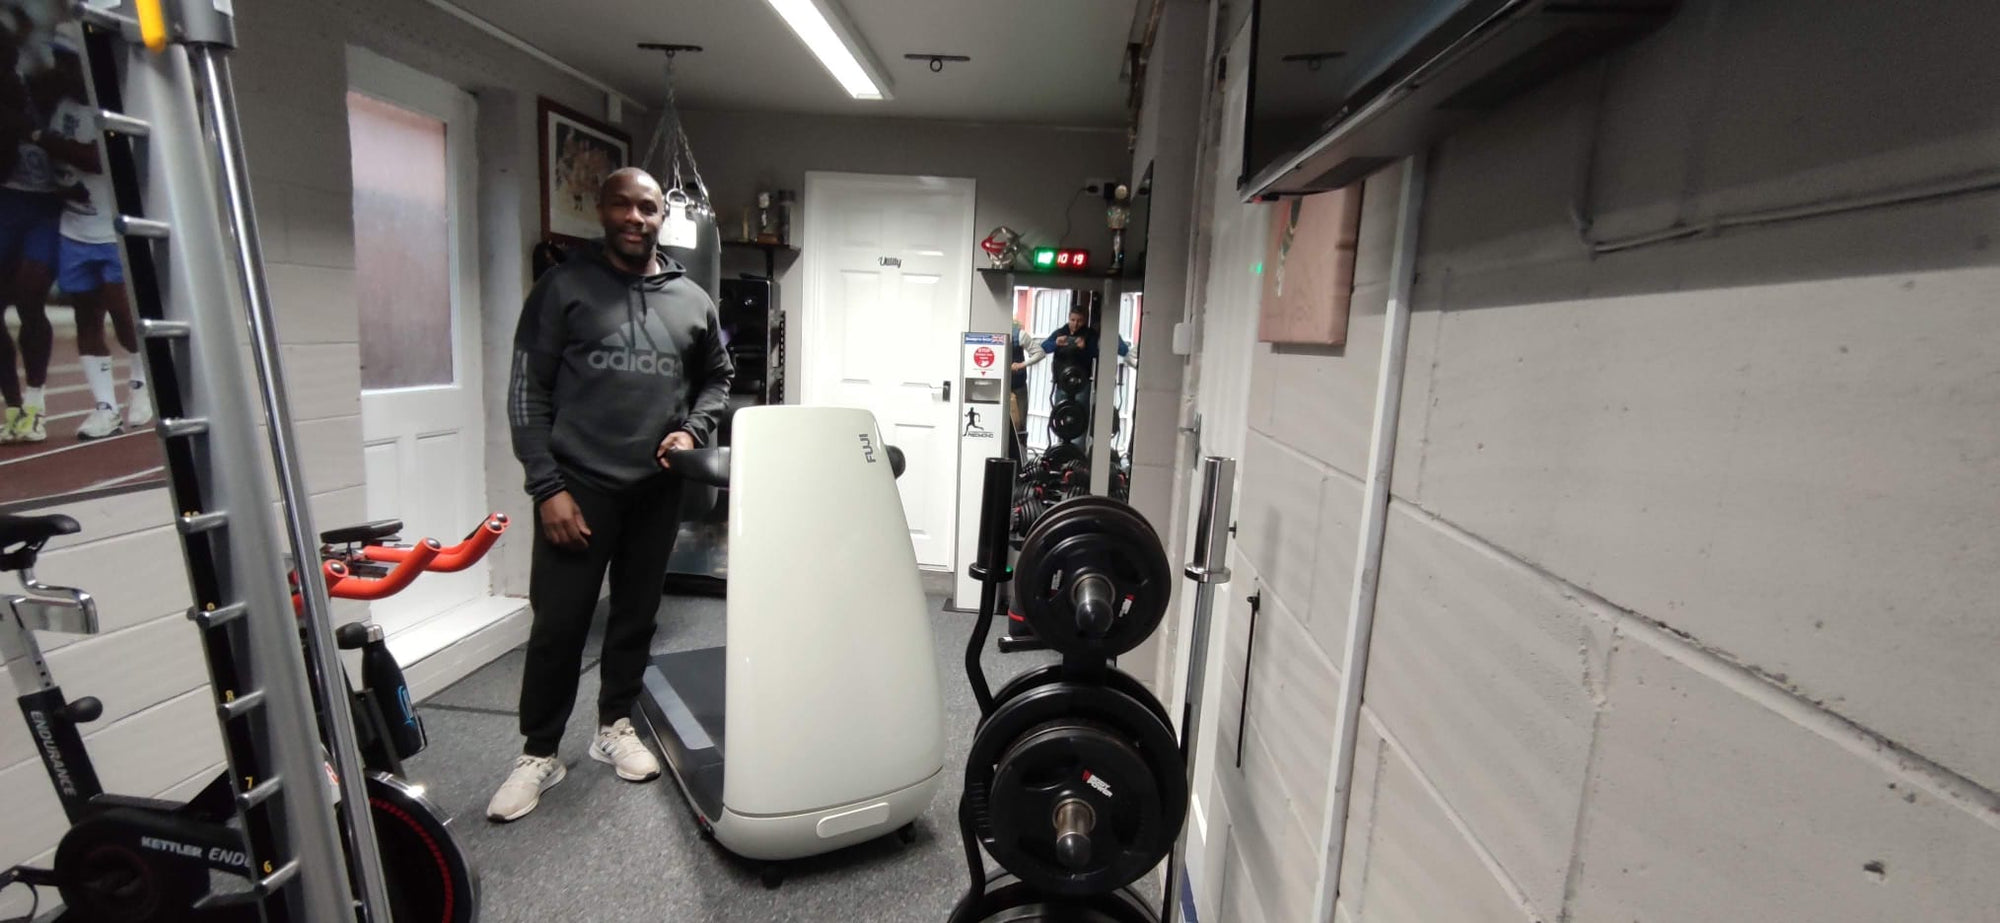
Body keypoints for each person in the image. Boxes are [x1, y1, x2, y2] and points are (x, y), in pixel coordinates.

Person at [487, 166, 733, 823]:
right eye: (622, 205)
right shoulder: (562, 287)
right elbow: (526, 392)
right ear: (602, 209)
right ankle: (539, 750)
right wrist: (546, 486)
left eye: (647, 208)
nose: (635, 217)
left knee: (635, 615)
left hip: (655, 489)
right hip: (578, 487)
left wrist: (691, 429)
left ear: (661, 217)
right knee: (560, 624)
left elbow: (717, 379)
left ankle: (614, 725)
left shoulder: (692, 300)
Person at [43, 42, 147, 439]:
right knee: (87, 319)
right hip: (74, 230)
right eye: (63, 63)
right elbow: (60, 162)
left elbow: (96, 159)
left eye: (71, 63)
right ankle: (104, 408)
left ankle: (141, 384)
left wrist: (44, 139)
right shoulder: (64, 109)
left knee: (123, 314)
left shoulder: (111, 110)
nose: (65, 71)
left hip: (111, 231)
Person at [0, 28, 61, 445]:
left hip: (47, 208)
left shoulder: (47, 88)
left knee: (30, 299)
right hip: (7, 204)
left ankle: (35, 405)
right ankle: (13, 406)